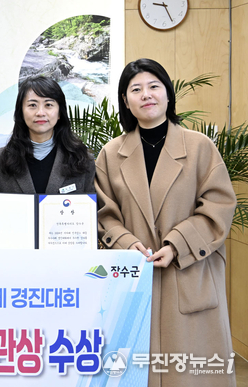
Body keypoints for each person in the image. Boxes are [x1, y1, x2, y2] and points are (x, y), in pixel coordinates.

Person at [96, 58, 236, 387]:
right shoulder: (110, 154)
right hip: (135, 275)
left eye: (154, 86)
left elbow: (219, 206)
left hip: (188, 275)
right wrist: (129, 245)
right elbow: (104, 213)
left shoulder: (200, 147)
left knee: (191, 373)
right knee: (133, 372)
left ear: (168, 94)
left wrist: (177, 245)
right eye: (136, 89)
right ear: (126, 101)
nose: (146, 94)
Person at [0, 75, 94, 194]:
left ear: (59, 113)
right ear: (21, 112)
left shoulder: (82, 159)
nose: (40, 113)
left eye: (48, 105)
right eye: (32, 105)